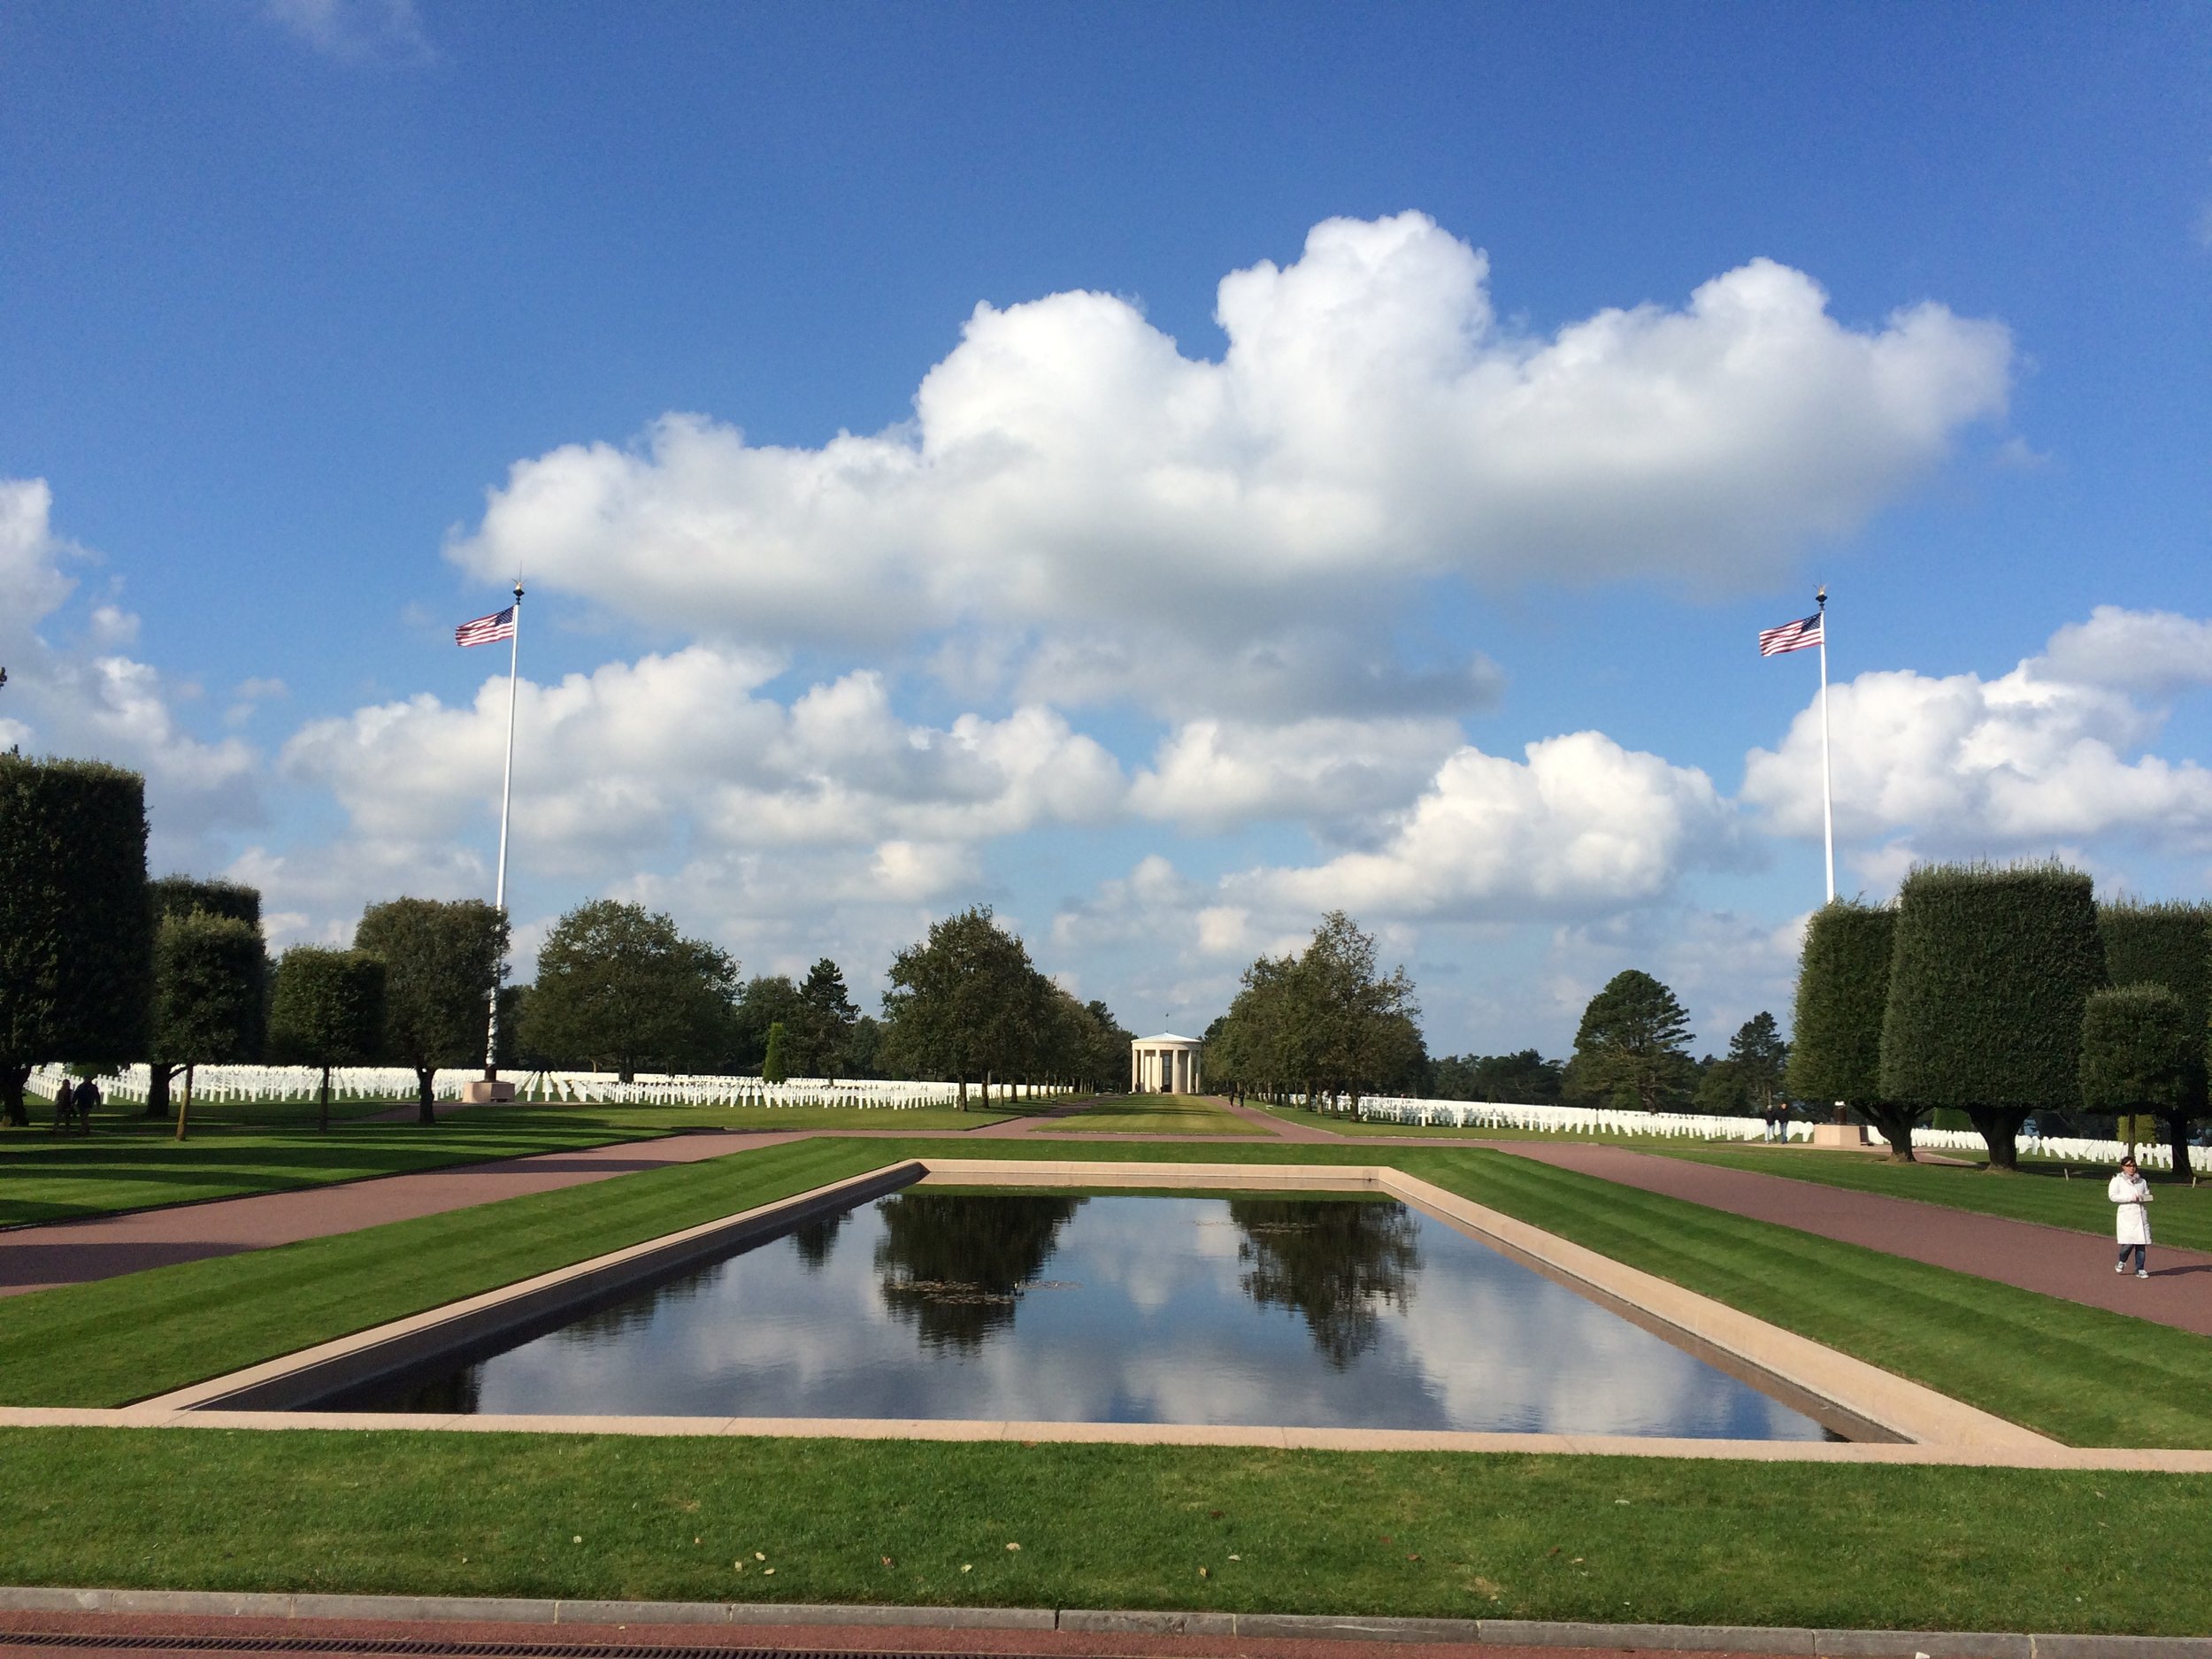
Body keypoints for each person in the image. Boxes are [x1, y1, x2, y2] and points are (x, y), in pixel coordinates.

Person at [2108, 1155, 2153, 1279]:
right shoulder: (2117, 1180)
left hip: (2140, 1213)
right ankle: (2122, 1260)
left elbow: (2147, 1194)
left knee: (2141, 1243)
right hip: (2127, 1215)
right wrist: (2130, 1198)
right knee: (2128, 1243)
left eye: (2133, 1166)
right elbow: (2113, 1196)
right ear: (2123, 1167)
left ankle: (2140, 1268)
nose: (2131, 1168)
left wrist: (2144, 1197)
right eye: (2128, 1166)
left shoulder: (2142, 1181)